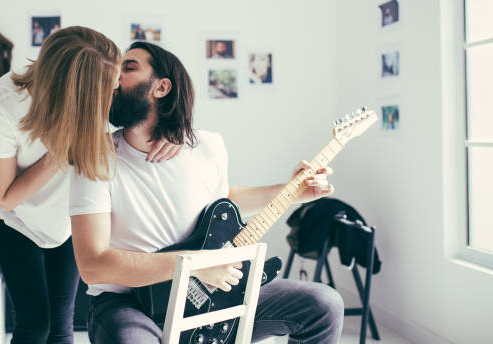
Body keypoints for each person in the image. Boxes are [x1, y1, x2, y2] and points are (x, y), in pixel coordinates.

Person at [70, 41, 344, 344]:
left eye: (128, 68)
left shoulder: (208, 146)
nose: (113, 78)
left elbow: (221, 200)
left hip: (207, 291)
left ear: (161, 88)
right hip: (127, 301)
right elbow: (93, 266)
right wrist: (196, 265)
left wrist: (291, 192)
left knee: (324, 305)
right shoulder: (95, 157)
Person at [0, 27, 180, 344]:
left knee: (61, 324)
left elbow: (144, 120)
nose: (116, 90)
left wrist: (170, 133)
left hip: (68, 220)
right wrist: (62, 146)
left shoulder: (100, 92)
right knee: (34, 324)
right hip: (16, 220)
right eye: (110, 85)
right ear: (76, 90)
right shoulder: (3, 105)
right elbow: (5, 197)